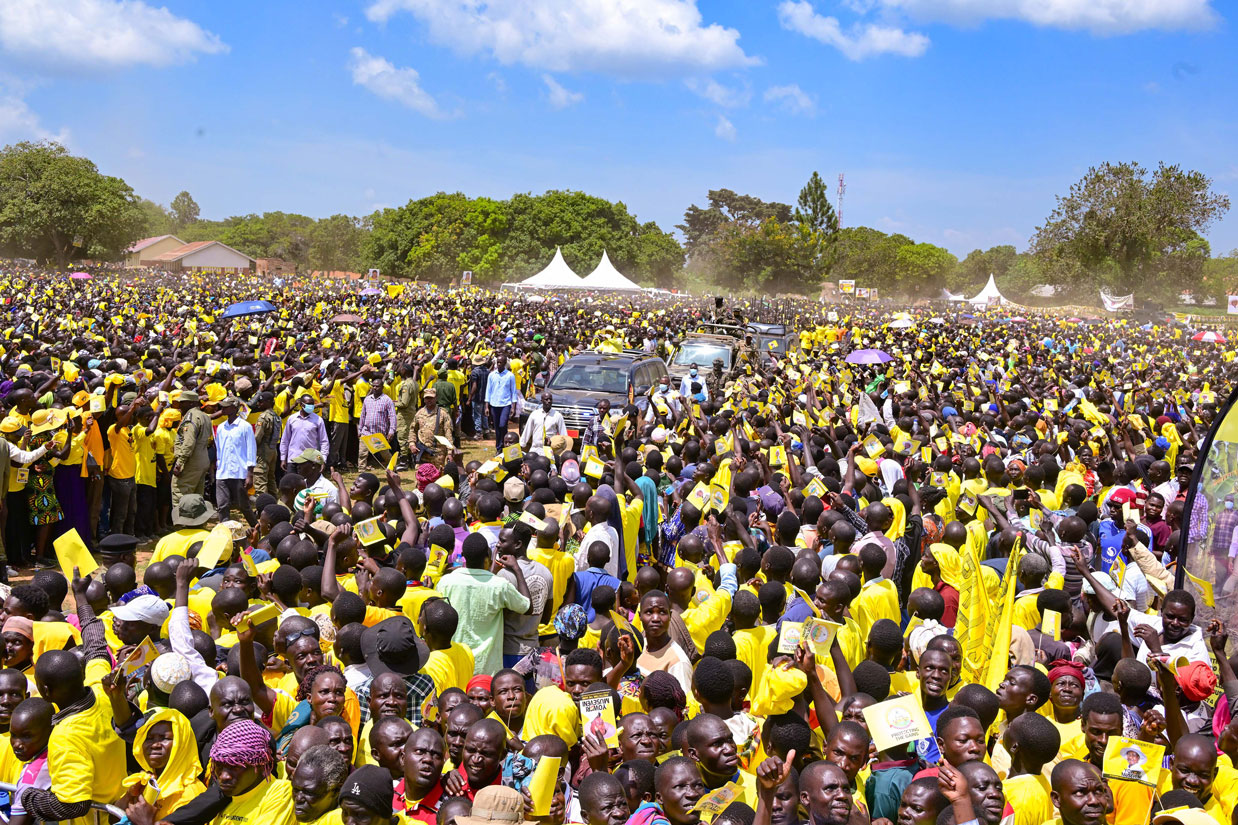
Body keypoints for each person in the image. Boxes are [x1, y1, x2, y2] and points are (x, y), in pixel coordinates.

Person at [437, 533, 532, 676]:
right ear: (487, 558)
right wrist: (517, 570)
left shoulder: (446, 582)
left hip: (456, 664)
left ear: (463, 556)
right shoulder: (499, 585)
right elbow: (527, 607)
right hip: (487, 669)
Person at [215, 396, 258, 527]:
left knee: (243, 505)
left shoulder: (245, 427)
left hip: (239, 472)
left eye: (225, 406)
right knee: (222, 505)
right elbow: (219, 449)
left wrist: (250, 474)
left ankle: (255, 527)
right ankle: (225, 533)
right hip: (222, 472)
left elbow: (251, 449)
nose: (222, 409)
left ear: (234, 408)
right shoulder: (221, 428)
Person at [171, 391, 213, 511]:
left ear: (190, 403)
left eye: (182, 403)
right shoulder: (205, 416)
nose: (179, 406)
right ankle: (197, 524)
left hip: (190, 462)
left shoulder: (191, 417)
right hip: (203, 459)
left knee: (180, 494)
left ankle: (182, 524)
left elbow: (188, 443)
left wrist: (180, 462)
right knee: (196, 497)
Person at [485, 353, 520, 452]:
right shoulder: (491, 375)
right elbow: (488, 391)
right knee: (496, 427)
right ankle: (499, 448)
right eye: (498, 362)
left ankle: (505, 444)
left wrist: (513, 407)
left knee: (502, 425)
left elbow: (513, 392)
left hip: (505, 404)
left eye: (501, 363)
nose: (499, 364)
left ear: (505, 363)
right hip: (494, 404)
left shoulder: (510, 376)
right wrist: (487, 406)